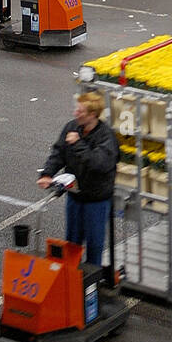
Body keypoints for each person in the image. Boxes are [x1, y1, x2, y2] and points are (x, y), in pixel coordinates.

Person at [37, 92, 118, 267]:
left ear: (93, 115)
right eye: (77, 109)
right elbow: (58, 153)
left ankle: (91, 286)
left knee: (94, 244)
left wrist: (78, 144)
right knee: (72, 243)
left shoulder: (106, 136)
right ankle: (71, 281)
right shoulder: (71, 127)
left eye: (81, 111)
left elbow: (98, 163)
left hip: (96, 201)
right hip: (75, 197)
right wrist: (47, 173)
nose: (76, 114)